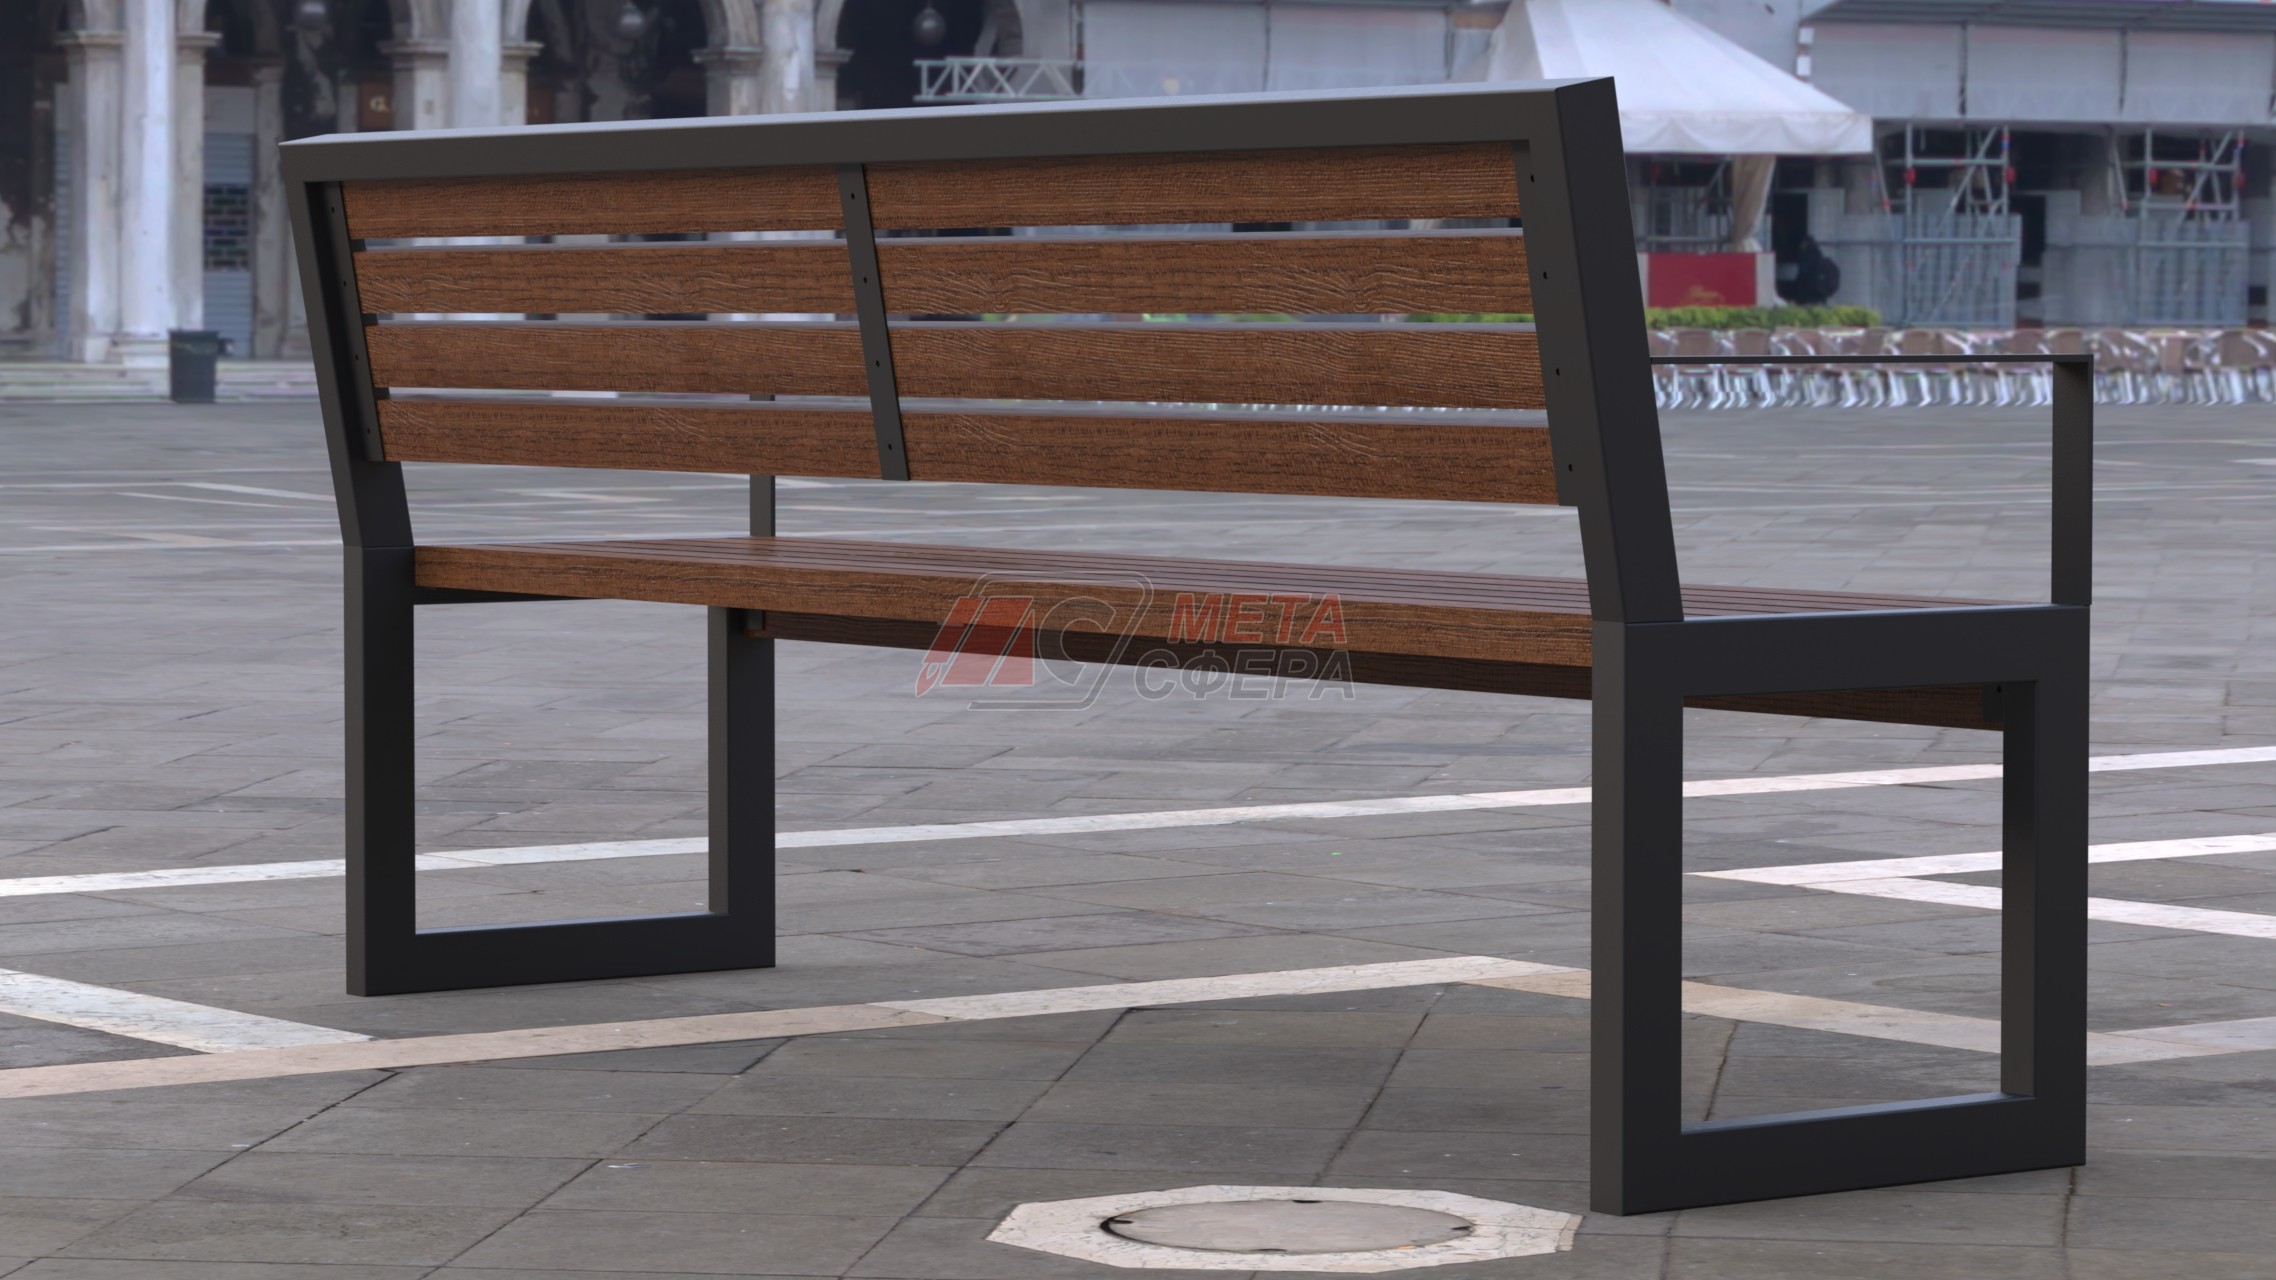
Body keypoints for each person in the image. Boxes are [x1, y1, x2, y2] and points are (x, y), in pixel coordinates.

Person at [1788, 236, 1841, 305]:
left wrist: (1797, 285)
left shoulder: (1806, 254)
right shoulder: (1818, 253)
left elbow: (1803, 271)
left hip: (1809, 289)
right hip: (1820, 288)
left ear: (1805, 243)